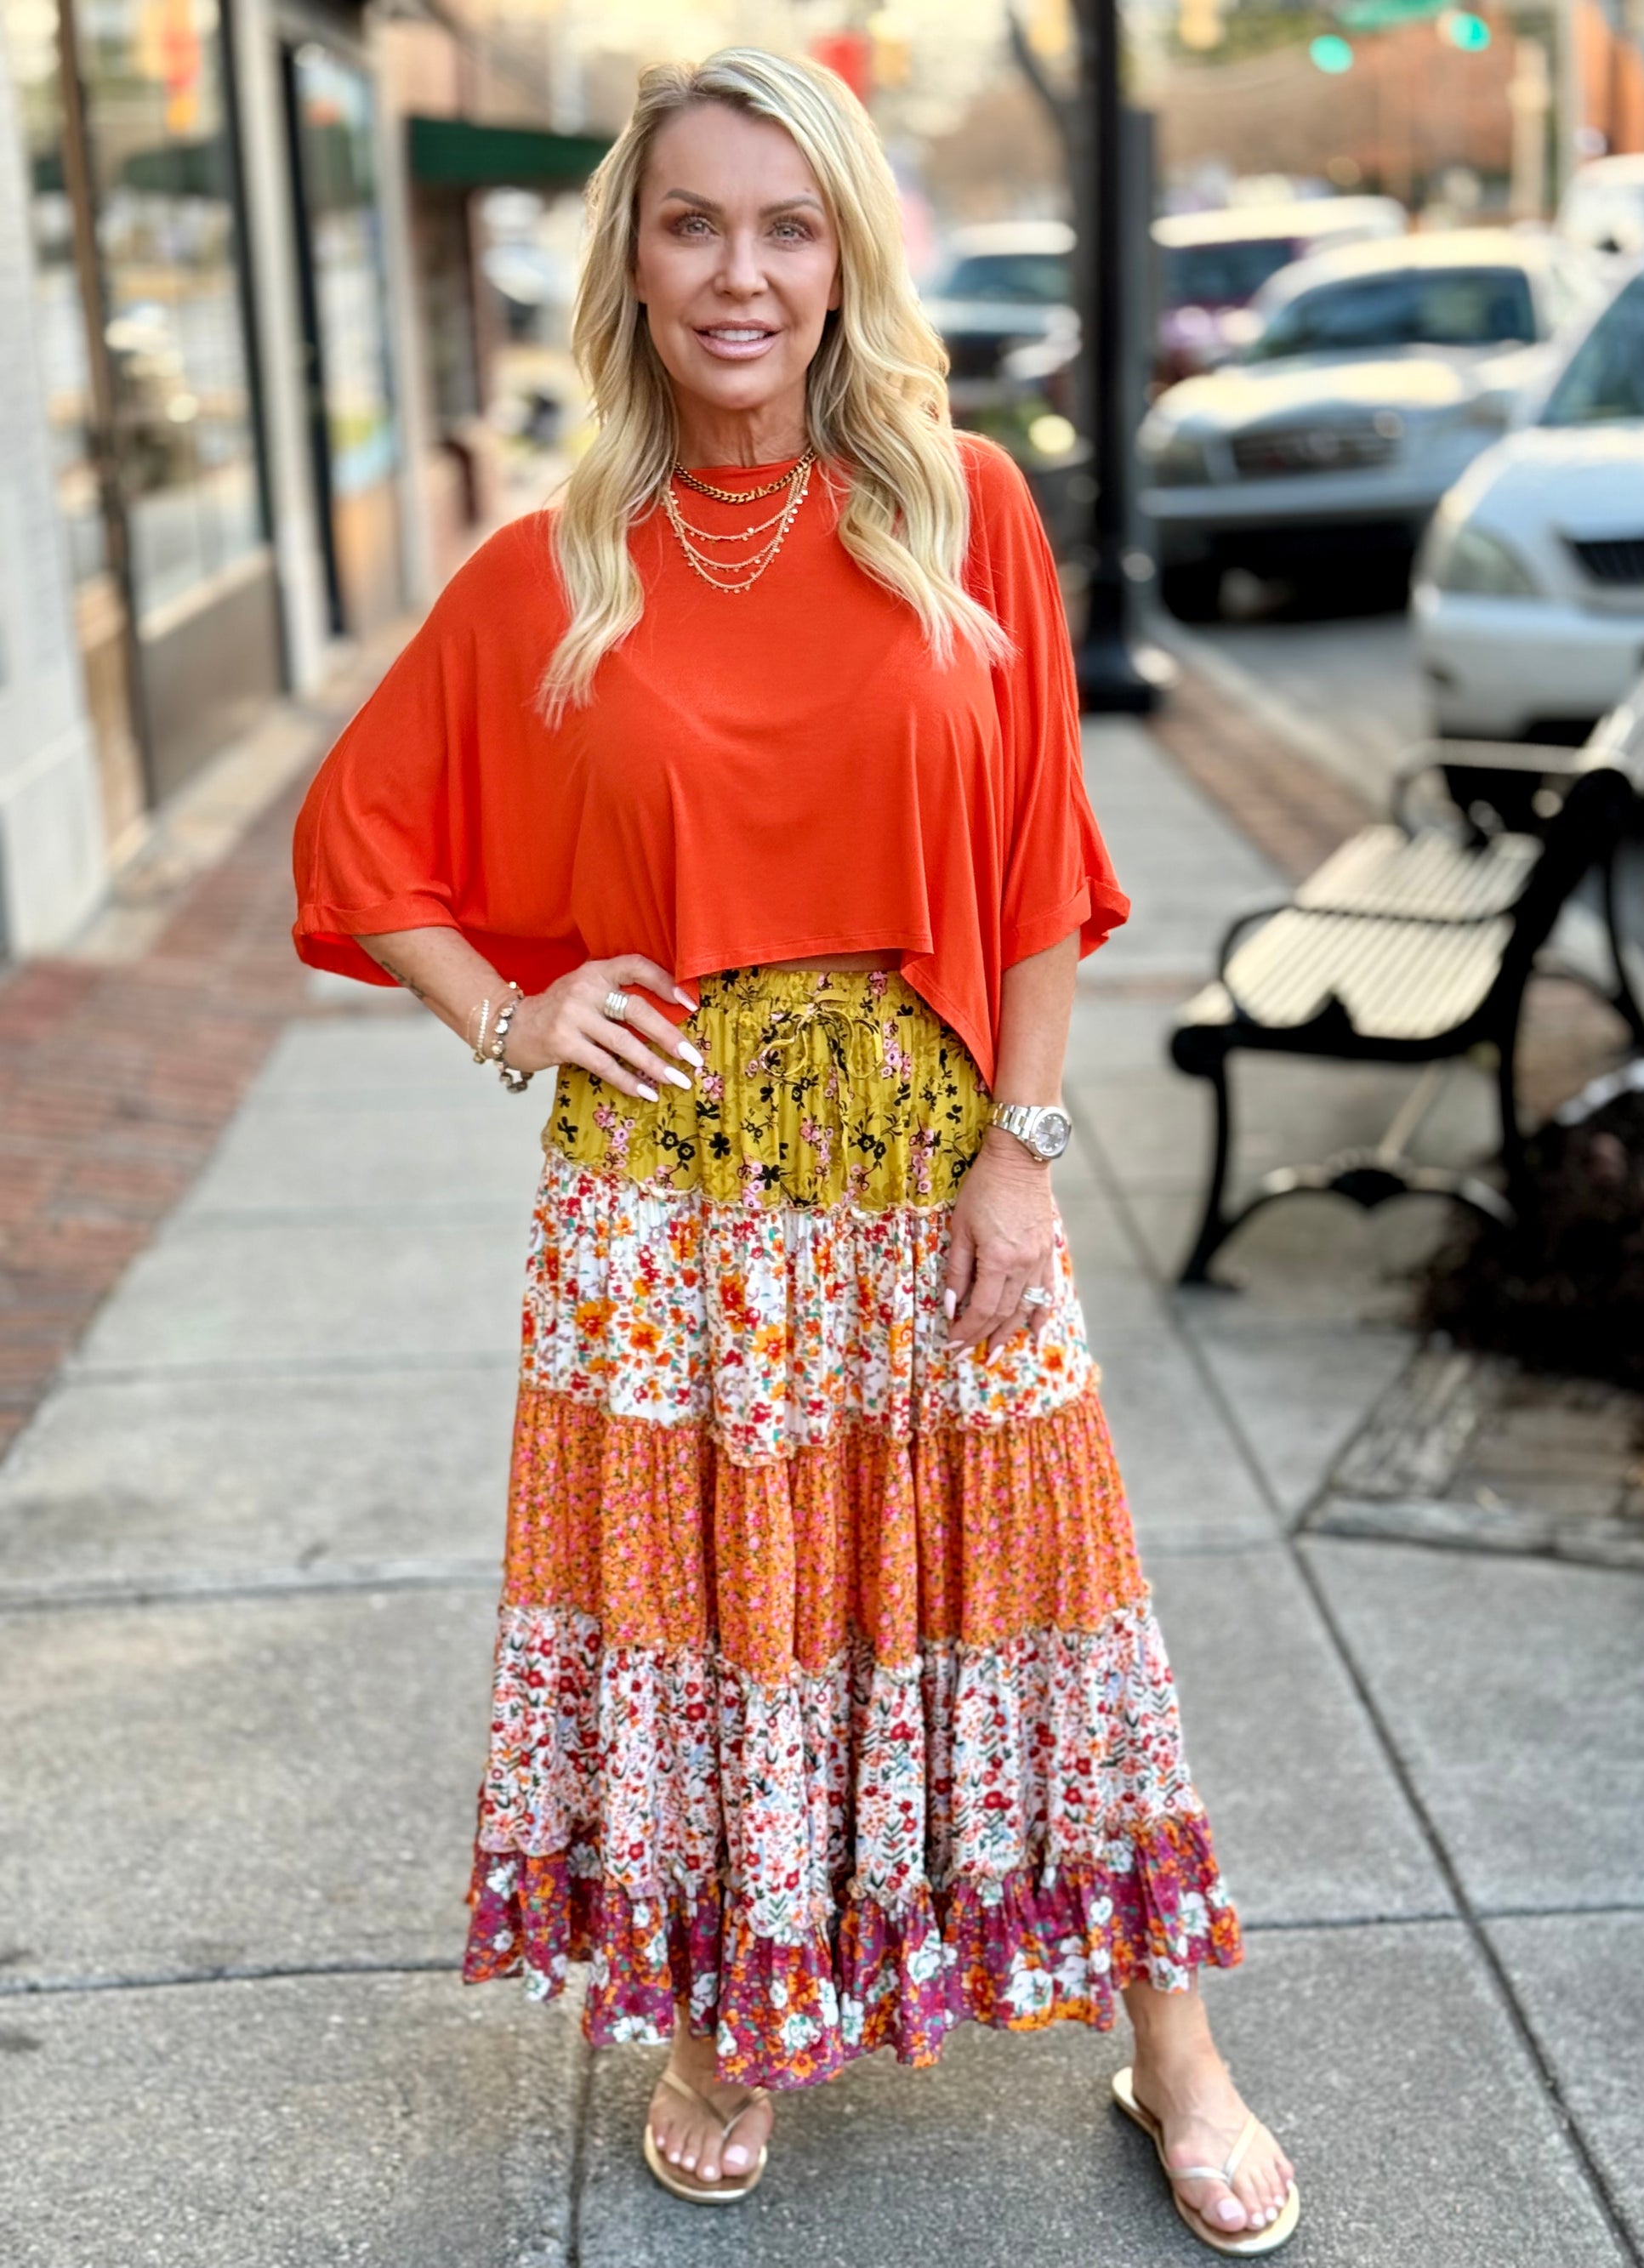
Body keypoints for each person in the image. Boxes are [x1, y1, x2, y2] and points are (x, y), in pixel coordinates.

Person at [291, 47, 1299, 2256]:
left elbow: (1039, 867)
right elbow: (362, 837)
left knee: (1050, 1583)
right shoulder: (564, 559)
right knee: (721, 1619)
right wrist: (508, 1011)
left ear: (842, 252)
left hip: (936, 1161)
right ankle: (729, 2018)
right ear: (633, 263)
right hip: (662, 1208)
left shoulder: (965, 512)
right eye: (691, 224)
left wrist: (1022, 1152)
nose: (737, 273)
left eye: (783, 223)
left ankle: (1173, 2038)